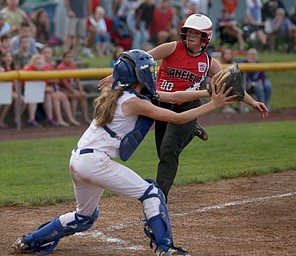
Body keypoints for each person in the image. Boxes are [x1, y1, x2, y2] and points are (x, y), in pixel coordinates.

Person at [13, 49, 238, 256]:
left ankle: (28, 240)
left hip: (78, 160)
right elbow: (177, 118)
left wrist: (209, 93)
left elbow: (174, 97)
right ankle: (165, 249)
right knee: (152, 193)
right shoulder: (133, 102)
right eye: (148, 70)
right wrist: (214, 105)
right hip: (95, 162)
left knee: (85, 217)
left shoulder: (120, 93)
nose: (152, 73)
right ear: (138, 76)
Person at [98, 14, 269, 200]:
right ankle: (191, 129)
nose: (191, 37)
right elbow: (140, 59)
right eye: (188, 32)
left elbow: (231, 85)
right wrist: (115, 76)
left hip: (188, 106)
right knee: (162, 152)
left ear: (206, 38)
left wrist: (253, 102)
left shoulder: (209, 63)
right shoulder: (172, 47)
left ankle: (159, 198)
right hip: (163, 104)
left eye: (196, 34)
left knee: (169, 151)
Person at [41, 46, 80, 126]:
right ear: (41, 54)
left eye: (49, 53)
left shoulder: (51, 65)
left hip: (52, 87)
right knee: (56, 96)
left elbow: (56, 79)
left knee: (63, 96)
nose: (47, 55)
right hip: (44, 88)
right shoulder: (40, 64)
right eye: (45, 52)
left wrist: (52, 80)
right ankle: (59, 119)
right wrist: (52, 80)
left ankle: (70, 118)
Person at [56, 50, 91, 124]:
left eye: (71, 57)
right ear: (63, 58)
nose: (70, 59)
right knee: (75, 96)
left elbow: (78, 80)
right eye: (68, 57)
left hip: (70, 87)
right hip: (61, 88)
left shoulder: (73, 66)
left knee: (83, 96)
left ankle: (86, 118)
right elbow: (64, 83)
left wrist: (81, 90)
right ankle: (72, 118)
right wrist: (74, 91)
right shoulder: (61, 67)